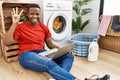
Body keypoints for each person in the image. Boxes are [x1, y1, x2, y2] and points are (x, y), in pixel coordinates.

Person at [4, 4, 110, 80]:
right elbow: (7, 42)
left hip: (43, 53)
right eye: (32, 14)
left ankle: (59, 77)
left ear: (39, 14)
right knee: (49, 64)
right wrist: (14, 23)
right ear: (27, 14)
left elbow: (50, 45)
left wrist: (63, 50)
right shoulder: (20, 27)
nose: (34, 16)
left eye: (37, 14)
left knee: (69, 56)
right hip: (27, 55)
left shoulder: (43, 28)